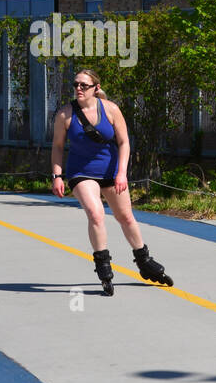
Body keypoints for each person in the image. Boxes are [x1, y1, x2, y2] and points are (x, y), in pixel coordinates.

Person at [49, 69, 173, 295]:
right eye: (75, 84)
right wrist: (57, 175)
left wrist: (121, 173)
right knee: (95, 214)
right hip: (81, 172)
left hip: (111, 171)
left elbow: (124, 142)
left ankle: (144, 261)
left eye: (83, 85)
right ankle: (103, 267)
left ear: (95, 88)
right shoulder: (65, 115)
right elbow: (57, 147)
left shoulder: (111, 109)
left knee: (125, 217)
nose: (78, 88)